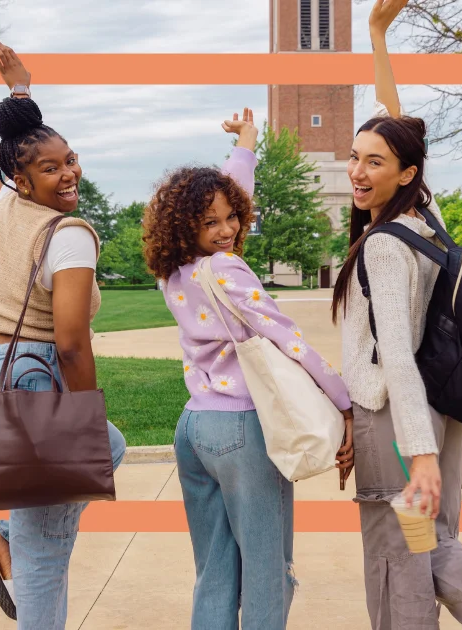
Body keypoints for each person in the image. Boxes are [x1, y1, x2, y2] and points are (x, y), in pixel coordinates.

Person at [330, 1, 462, 629]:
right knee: (432, 537)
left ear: (405, 174)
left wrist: (414, 454)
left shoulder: (386, 246)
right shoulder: (427, 222)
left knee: (396, 560)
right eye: (354, 157)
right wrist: (376, 34)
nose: (358, 171)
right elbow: (399, 127)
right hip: (438, 409)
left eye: (374, 162)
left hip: (397, 420)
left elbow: (393, 351)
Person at [141, 108, 356, 629]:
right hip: (243, 431)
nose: (227, 229)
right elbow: (288, 338)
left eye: (231, 216)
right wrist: (344, 402)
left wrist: (246, 144)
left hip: (194, 428)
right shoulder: (227, 269)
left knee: (214, 569)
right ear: (186, 225)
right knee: (266, 572)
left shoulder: (174, 271)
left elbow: (219, 205)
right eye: (210, 222)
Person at [0, 41, 126, 628]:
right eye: (50, 168)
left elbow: (17, 151)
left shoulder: (8, 208)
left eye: (71, 159)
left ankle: (8, 534)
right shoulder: (69, 234)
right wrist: (81, 414)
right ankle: (15, 540)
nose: (68, 172)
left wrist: (21, 94)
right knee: (46, 554)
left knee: (112, 448)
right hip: (35, 374)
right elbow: (73, 341)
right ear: (23, 180)